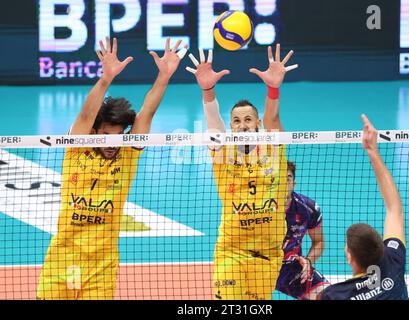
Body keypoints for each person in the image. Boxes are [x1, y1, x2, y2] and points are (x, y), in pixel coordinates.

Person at [37, 37, 187, 300]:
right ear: (95, 132)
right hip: (63, 256)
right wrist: (105, 79)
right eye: (107, 136)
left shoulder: (127, 154)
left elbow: (146, 113)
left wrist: (164, 76)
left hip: (102, 264)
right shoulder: (77, 148)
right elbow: (85, 116)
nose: (112, 143)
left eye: (118, 136)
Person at [186, 44, 298, 300]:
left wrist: (273, 88)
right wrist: (207, 90)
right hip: (231, 251)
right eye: (236, 121)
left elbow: (273, 119)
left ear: (257, 124)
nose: (243, 126)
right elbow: (214, 124)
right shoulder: (223, 154)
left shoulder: (274, 150)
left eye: (248, 120)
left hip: (268, 255)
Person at [320, 115, 408, 300]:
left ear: (349, 257)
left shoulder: (333, 295)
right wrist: (373, 152)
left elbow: (395, 210)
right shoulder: (394, 263)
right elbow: (395, 209)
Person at [275, 161, 330, 300]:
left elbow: (318, 241)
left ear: (293, 183)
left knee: (329, 297)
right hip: (258, 267)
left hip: (291, 269)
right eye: (279, 179)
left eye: (287, 179)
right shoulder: (257, 210)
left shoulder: (308, 209)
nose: (283, 184)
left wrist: (308, 261)